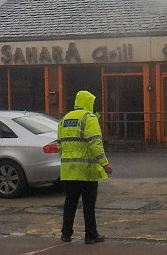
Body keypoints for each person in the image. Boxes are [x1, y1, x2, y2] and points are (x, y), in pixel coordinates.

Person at [57, 90, 113, 244]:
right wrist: (105, 164)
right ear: (88, 102)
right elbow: (95, 143)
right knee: (88, 205)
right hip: (86, 170)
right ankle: (91, 235)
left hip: (68, 170)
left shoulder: (64, 119)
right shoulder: (89, 118)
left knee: (70, 203)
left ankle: (66, 234)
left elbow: (59, 145)